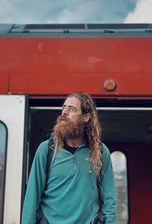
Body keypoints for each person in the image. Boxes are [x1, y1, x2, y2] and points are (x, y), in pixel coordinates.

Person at [22, 93, 116, 224]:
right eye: (64, 107)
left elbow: (110, 198)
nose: (64, 112)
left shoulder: (100, 151)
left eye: (71, 109)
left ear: (85, 117)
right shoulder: (47, 149)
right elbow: (32, 197)